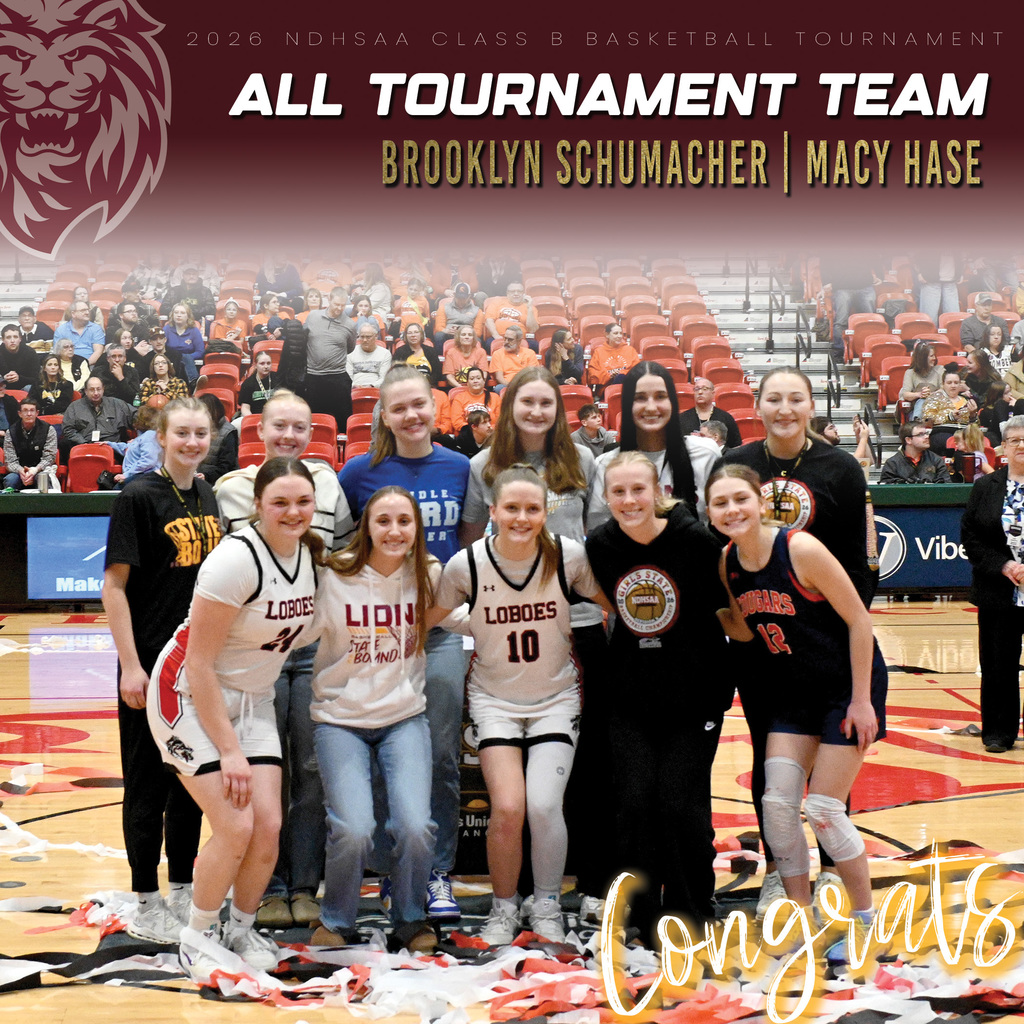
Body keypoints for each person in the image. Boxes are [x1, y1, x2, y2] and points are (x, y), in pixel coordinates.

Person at [150, 458, 319, 981]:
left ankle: (240, 929)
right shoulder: (235, 560)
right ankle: (196, 936)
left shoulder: (311, 556)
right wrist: (229, 750)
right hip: (186, 695)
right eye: (280, 503)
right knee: (235, 823)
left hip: (253, 697)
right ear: (258, 506)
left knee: (268, 825)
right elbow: (198, 664)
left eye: (303, 501)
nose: (293, 512)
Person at [709, 463, 886, 949]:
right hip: (793, 688)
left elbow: (859, 621)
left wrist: (862, 699)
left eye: (740, 499)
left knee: (825, 808)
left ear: (760, 501)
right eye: (720, 503)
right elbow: (745, 630)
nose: (732, 510)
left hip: (845, 685)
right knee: (777, 804)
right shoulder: (728, 562)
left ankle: (867, 922)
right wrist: (708, 613)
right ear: (709, 511)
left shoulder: (799, 548)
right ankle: (802, 919)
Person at [720, 366, 875, 917]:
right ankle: (783, 883)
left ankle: (844, 889)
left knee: (828, 798)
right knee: (775, 787)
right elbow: (730, 584)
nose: (784, 409)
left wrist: (858, 682)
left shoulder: (840, 468)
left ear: (811, 406)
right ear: (757, 406)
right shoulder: (737, 467)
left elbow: (856, 575)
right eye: (774, 399)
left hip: (831, 648)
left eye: (795, 399)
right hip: (775, 662)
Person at [460, 365, 610, 924]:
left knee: (580, 769)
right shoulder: (482, 466)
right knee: (509, 797)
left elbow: (599, 541)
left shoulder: (584, 461)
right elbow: (471, 548)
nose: (537, 412)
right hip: (509, 628)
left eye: (547, 403)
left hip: (578, 625)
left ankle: (575, 885)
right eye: (527, 402)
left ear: (559, 410)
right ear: (510, 407)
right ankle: (511, 895)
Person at [435, 464, 609, 943]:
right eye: (511, 508)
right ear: (492, 511)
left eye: (532, 509)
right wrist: (467, 623)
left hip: (556, 697)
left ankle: (548, 903)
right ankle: (504, 907)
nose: (521, 517)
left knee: (545, 805)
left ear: (545, 512)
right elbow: (430, 611)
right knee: (508, 807)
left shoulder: (568, 556)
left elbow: (609, 601)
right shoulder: (465, 563)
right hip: (494, 699)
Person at [215, 390, 353, 929]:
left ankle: (303, 885)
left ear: (312, 433)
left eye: (300, 427)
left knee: (312, 772)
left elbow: (339, 559)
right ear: (261, 430)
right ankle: (264, 885)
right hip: (253, 653)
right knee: (259, 772)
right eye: (279, 427)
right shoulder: (231, 490)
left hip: (313, 646)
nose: (289, 436)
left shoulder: (329, 485)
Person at [338, 365, 470, 921]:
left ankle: (435, 872)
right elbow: (345, 553)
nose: (412, 416)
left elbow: (469, 554)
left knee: (439, 752)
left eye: (419, 405)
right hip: (376, 637)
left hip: (437, 634)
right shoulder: (357, 473)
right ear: (384, 417)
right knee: (384, 752)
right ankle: (393, 873)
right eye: (399, 409)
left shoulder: (462, 468)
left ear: (433, 405)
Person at [585, 451, 731, 942]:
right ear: (606, 497)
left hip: (694, 695)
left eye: (638, 490)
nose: (629, 500)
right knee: (631, 802)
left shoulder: (694, 541)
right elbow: (610, 604)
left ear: (659, 493)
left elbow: (723, 610)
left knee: (680, 804)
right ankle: (641, 914)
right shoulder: (600, 544)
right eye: (619, 492)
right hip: (629, 696)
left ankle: (692, 910)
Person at [101, 398, 222, 945]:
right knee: (147, 783)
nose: (192, 443)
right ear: (162, 436)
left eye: (200, 434)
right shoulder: (137, 496)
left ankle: (180, 889)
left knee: (189, 784)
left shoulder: (207, 492)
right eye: (182, 434)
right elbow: (114, 587)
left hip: (194, 667)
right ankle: (145, 897)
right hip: (149, 667)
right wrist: (131, 665)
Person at [309, 486, 442, 953]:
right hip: (339, 718)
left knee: (413, 826)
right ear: (366, 526)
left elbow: (467, 615)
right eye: (383, 520)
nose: (394, 530)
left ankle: (409, 916)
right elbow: (286, 629)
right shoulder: (335, 576)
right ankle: (336, 918)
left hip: (404, 717)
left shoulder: (428, 574)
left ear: (416, 528)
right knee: (353, 828)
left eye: (404, 521)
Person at [589, 362, 719, 525]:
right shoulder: (605, 465)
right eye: (640, 398)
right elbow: (600, 534)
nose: (651, 407)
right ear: (628, 405)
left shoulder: (706, 454)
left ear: (672, 402)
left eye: (660, 396)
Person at [961, 415, 1024, 753]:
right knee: (998, 665)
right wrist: (1005, 565)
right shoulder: (986, 487)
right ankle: (998, 732)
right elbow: (970, 538)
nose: (1022, 446)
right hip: (998, 592)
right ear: (1003, 447)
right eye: (1015, 440)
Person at [305, 286, 356, 428]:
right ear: (329, 300)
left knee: (342, 421)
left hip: (337, 377)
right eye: (336, 304)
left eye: (342, 305)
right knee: (314, 420)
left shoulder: (350, 324)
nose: (339, 308)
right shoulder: (312, 317)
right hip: (313, 376)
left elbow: (350, 348)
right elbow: (304, 339)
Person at [60, 376, 134, 460]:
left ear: (103, 389)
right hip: (84, 446)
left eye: (99, 389)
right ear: (86, 391)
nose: (96, 393)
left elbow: (139, 419)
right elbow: (68, 429)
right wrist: (84, 443)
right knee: (64, 444)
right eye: (92, 389)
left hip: (111, 448)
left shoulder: (117, 404)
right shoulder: (75, 406)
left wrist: (139, 439)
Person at [3, 396, 57, 491]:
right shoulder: (11, 432)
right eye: (25, 410)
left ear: (37, 413)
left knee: (43, 478)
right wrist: (21, 471)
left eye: (32, 410)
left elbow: (49, 457)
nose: (29, 414)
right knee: (10, 479)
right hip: (18, 471)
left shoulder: (48, 429)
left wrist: (35, 470)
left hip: (40, 469)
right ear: (20, 414)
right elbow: (10, 461)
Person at [679, 377, 743, 449]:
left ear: (713, 393)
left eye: (705, 389)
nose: (700, 392)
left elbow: (735, 446)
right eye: (697, 389)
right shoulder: (682, 418)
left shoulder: (726, 418)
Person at [880, 422, 952, 483]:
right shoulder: (892, 463)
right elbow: (886, 491)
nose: (926, 436)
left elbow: (946, 486)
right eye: (921, 434)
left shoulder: (936, 460)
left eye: (926, 433)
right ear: (908, 440)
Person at [196, 393, 239, 485]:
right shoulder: (196, 430)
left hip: (220, 483)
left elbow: (226, 466)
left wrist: (206, 476)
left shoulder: (228, 432)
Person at [586, 323, 641, 391]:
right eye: (615, 333)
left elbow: (637, 370)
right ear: (607, 335)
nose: (619, 336)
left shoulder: (630, 350)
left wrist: (621, 373)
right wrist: (609, 375)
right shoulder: (599, 352)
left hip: (626, 386)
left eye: (621, 333)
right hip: (606, 389)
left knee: (620, 377)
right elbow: (593, 373)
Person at [163, 303, 204, 387]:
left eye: (182, 313)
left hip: (187, 359)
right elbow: (162, 347)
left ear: (188, 316)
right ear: (172, 315)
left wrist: (187, 357)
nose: (179, 315)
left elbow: (200, 351)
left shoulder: (194, 331)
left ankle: (193, 382)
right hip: (171, 358)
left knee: (185, 357)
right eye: (176, 312)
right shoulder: (167, 329)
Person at [900, 343, 944, 421]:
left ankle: (920, 422)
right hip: (916, 409)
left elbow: (944, 389)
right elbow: (906, 394)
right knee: (922, 400)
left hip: (937, 408)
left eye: (934, 355)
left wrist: (930, 395)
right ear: (922, 358)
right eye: (931, 356)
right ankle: (919, 421)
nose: (934, 358)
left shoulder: (940, 370)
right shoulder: (910, 373)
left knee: (925, 400)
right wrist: (920, 394)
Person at [53, 300, 105, 365]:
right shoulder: (61, 330)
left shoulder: (96, 328)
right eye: (83, 310)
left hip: (90, 365)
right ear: (73, 314)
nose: (87, 313)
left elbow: (98, 352)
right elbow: (58, 352)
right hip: (66, 365)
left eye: (87, 310)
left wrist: (84, 366)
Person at [450, 365, 500, 432]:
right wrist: (474, 430)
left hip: (490, 434)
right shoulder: (459, 398)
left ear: (484, 381)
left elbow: (500, 420)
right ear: (467, 382)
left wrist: (487, 430)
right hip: (467, 434)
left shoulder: (495, 397)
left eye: (478, 378)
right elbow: (457, 421)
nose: (475, 381)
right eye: (472, 379)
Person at [434, 282, 485, 347]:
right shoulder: (444, 307)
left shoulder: (477, 311)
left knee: (477, 340)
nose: (461, 300)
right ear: (454, 295)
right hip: (449, 334)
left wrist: (464, 333)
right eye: (459, 297)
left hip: (468, 335)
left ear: (469, 296)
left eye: (463, 298)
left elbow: (478, 332)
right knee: (439, 336)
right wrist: (446, 331)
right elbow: (439, 327)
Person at [490, 324, 538, 391]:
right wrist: (513, 387)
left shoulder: (530, 353)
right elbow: (499, 378)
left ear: (519, 341)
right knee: (499, 388)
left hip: (525, 385)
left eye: (510, 340)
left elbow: (532, 376)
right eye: (505, 338)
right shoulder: (497, 354)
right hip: (507, 385)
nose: (506, 342)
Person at [393, 322, 442, 387]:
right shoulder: (400, 352)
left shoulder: (430, 351)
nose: (413, 335)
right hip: (405, 387)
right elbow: (395, 373)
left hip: (427, 386)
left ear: (421, 334)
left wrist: (425, 383)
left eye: (416, 332)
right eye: (409, 333)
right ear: (406, 336)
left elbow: (437, 373)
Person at [348, 323, 392, 390]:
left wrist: (372, 386)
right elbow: (347, 377)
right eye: (362, 337)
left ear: (376, 336)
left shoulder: (385, 353)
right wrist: (355, 386)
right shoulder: (350, 352)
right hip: (354, 389)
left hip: (377, 389)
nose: (365, 340)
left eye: (368, 337)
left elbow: (384, 378)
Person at [443, 324, 489, 388]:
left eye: (470, 335)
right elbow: (449, 376)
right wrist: (460, 387)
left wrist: (477, 387)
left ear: (473, 338)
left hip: (477, 386)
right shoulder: (451, 352)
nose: (467, 337)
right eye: (463, 335)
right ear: (458, 337)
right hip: (457, 386)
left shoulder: (481, 352)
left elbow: (483, 373)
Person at [0, 322, 40, 389]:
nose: (12, 341)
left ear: (20, 339)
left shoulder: (30, 353)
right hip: (3, 386)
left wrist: (19, 378)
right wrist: (4, 378)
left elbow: (36, 379)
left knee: (31, 388)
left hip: (24, 386)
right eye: (8, 337)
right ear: (3, 340)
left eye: (15, 337)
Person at [238, 351, 277, 417]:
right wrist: (252, 419)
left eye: (268, 363)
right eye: (262, 363)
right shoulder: (248, 383)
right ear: (255, 365)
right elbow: (245, 408)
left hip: (276, 416)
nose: (266, 366)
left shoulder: (278, 378)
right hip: (255, 416)